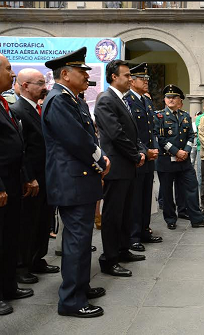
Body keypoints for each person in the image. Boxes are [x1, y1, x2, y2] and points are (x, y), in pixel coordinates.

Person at [42, 47, 110, 318]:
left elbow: (88, 136)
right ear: (66, 74)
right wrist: (102, 160)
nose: (86, 75)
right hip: (72, 182)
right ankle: (71, 300)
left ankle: (81, 286)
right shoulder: (59, 100)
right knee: (76, 242)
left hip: (79, 180)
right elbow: (77, 140)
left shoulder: (71, 99)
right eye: (82, 71)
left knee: (81, 241)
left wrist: (99, 156)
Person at [94, 60, 148, 277]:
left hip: (128, 165)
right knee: (113, 215)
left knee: (126, 212)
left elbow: (132, 133)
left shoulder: (122, 100)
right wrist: (136, 155)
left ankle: (123, 249)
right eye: (126, 76)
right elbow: (116, 134)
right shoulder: (106, 100)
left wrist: (139, 151)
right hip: (116, 166)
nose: (130, 79)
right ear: (114, 77)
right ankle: (109, 258)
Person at [10, 68, 59, 286]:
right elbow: (22, 150)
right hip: (33, 180)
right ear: (25, 86)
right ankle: (22, 266)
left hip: (46, 176)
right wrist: (29, 177)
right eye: (39, 83)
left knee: (42, 221)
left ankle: (38, 258)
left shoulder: (39, 109)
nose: (44, 86)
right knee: (27, 223)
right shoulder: (18, 110)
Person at [0, 53, 36, 316]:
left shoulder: (3, 103)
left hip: (13, 181)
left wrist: (23, 177)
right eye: (8, 68)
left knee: (10, 237)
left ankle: (8, 285)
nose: (12, 74)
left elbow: (17, 147)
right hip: (1, 183)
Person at [153, 84, 204, 230]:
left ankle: (196, 218)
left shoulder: (185, 116)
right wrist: (176, 151)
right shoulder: (159, 116)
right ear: (165, 100)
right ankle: (170, 219)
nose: (171, 99)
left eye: (174, 97)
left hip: (184, 161)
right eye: (168, 97)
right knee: (167, 192)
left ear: (180, 100)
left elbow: (191, 135)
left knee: (191, 187)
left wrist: (185, 151)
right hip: (167, 160)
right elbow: (159, 138)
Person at [123, 63, 162, 252]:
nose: (146, 82)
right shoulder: (128, 100)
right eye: (142, 79)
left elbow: (151, 129)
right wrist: (145, 150)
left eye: (147, 79)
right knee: (136, 199)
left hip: (149, 157)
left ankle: (145, 230)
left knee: (147, 196)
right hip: (137, 156)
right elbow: (132, 132)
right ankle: (134, 235)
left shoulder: (146, 101)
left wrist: (153, 149)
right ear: (132, 81)